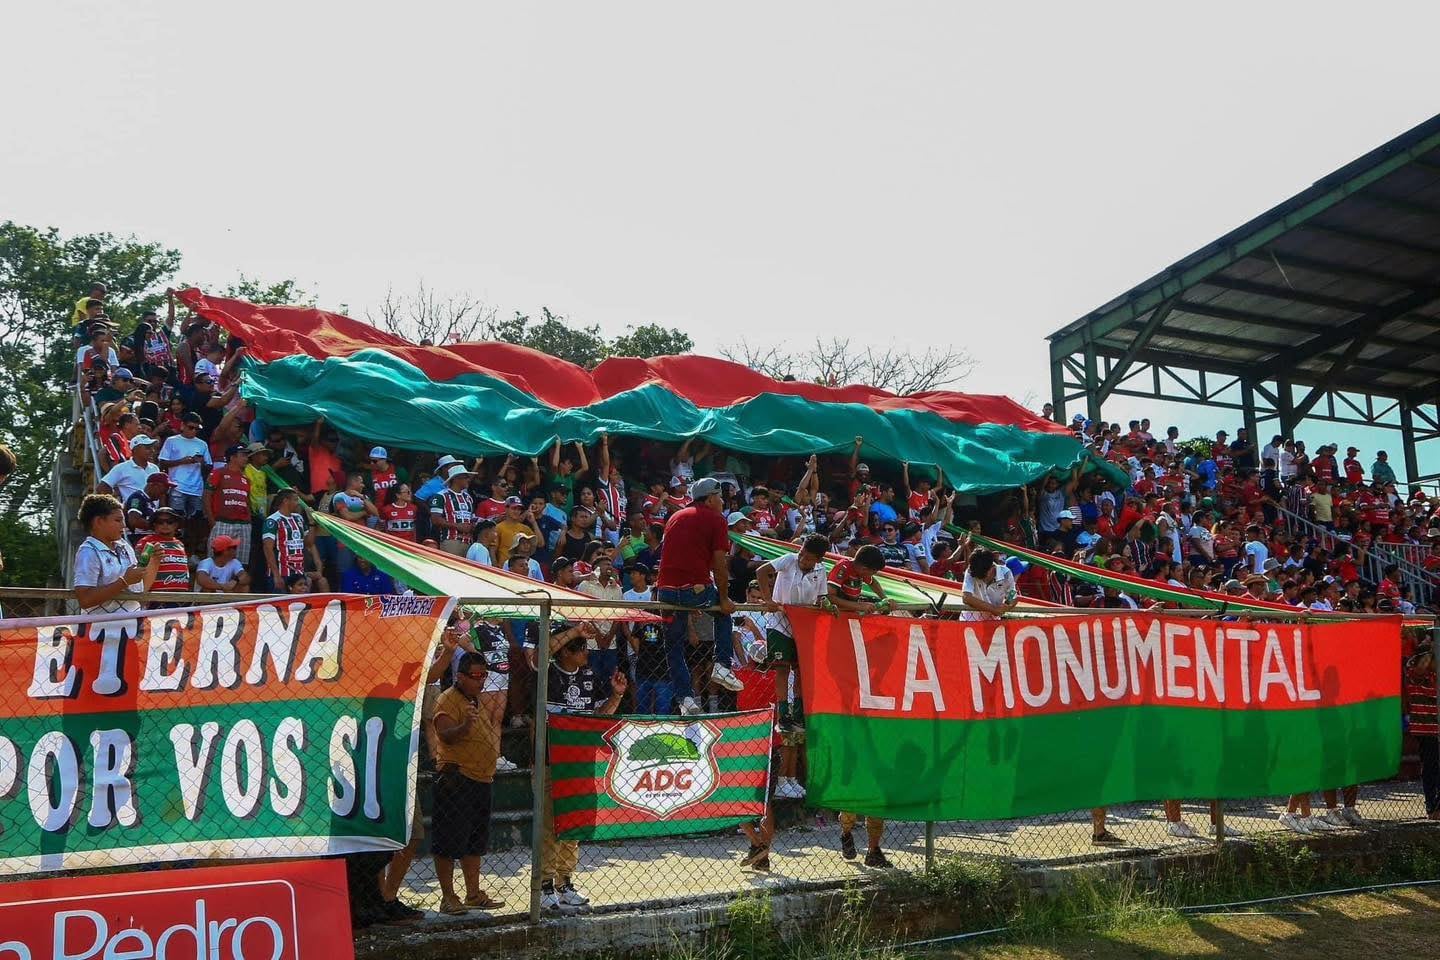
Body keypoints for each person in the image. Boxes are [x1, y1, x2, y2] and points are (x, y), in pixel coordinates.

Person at [542, 623, 626, 911]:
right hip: (551, 762)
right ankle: (544, 886)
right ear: (565, 650)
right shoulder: (547, 672)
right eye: (580, 648)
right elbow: (541, 653)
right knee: (550, 826)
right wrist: (574, 630)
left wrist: (616, 696)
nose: (586, 654)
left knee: (575, 824)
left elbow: (598, 718)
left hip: (581, 762)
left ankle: (564, 884)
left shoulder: (589, 676)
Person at [656, 477, 742, 716]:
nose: (723, 502)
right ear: (711, 498)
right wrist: (724, 598)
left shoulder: (675, 516)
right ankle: (722, 665)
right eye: (721, 497)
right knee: (724, 612)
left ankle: (686, 699)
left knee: (673, 647)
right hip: (694, 589)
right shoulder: (716, 519)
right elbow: (719, 564)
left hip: (666, 592)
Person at [430, 652, 504, 915]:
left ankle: (473, 893)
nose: (481, 681)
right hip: (457, 778)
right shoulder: (449, 698)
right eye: (476, 676)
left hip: (481, 779)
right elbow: (445, 735)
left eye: (484, 675)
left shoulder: (473, 698)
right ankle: (448, 897)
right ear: (460, 676)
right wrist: (464, 726)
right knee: (448, 841)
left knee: (475, 842)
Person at [754, 534, 829, 733]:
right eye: (802, 553)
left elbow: (822, 597)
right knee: (782, 669)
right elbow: (761, 571)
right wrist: (768, 599)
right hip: (780, 621)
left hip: (804, 625)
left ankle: (799, 713)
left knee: (801, 671)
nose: (802, 558)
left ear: (818, 560)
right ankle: (783, 714)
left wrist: (825, 605)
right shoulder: (788, 559)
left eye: (808, 557)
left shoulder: (821, 571)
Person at [73, 494, 161, 613]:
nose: (124, 525)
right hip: (101, 628)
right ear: (98, 522)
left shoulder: (124, 546)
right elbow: (85, 600)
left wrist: (155, 561)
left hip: (131, 626)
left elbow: (141, 589)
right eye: (118, 520)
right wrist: (124, 582)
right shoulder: (88, 552)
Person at [263, 489, 327, 593]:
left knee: (300, 606)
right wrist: (276, 575)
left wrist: (311, 523)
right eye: (296, 500)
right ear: (285, 501)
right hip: (281, 573)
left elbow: (309, 543)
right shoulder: (272, 520)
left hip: (299, 574)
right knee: (282, 607)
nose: (298, 503)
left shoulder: (299, 518)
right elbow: (267, 549)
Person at [206, 443, 253, 567]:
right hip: (222, 522)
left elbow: (247, 501)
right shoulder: (218, 473)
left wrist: (249, 521)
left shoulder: (246, 479)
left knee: (240, 564)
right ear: (232, 457)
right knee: (216, 560)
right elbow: (206, 496)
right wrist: (212, 521)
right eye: (243, 455)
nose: (246, 458)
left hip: (244, 524)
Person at [133, 507, 192, 595]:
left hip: (180, 597)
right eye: (160, 522)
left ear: (176, 524)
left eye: (169, 521)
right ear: (154, 525)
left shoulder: (180, 544)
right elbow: (139, 567)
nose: (165, 524)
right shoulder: (146, 542)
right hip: (155, 596)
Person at [98, 434, 161, 505]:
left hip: (153, 513)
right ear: (135, 449)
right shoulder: (122, 468)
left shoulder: (154, 468)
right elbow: (102, 488)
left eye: (152, 448)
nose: (152, 451)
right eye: (148, 448)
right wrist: (113, 506)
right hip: (132, 513)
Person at [431, 462, 477, 556]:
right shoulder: (441, 496)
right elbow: (435, 519)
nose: (468, 480)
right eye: (466, 477)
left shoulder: (468, 497)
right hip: (451, 540)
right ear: (456, 478)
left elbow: (471, 517)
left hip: (468, 541)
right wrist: (457, 526)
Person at [961, 548, 1018, 620]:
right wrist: (993, 609)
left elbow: (1012, 595)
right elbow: (966, 598)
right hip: (970, 620)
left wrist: (1006, 606)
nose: (980, 577)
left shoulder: (1006, 573)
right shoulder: (971, 571)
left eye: (983, 574)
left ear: (992, 567)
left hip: (993, 621)